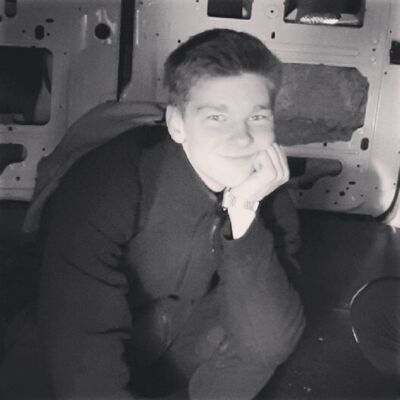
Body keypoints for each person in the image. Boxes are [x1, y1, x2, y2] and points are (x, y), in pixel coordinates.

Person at [0, 28, 305, 399]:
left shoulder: (267, 196)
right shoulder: (111, 182)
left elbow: (269, 342)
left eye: (257, 118)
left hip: (171, 332)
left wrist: (245, 213)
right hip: (69, 339)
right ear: (177, 125)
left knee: (256, 314)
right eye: (217, 118)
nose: (243, 139)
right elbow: (80, 332)